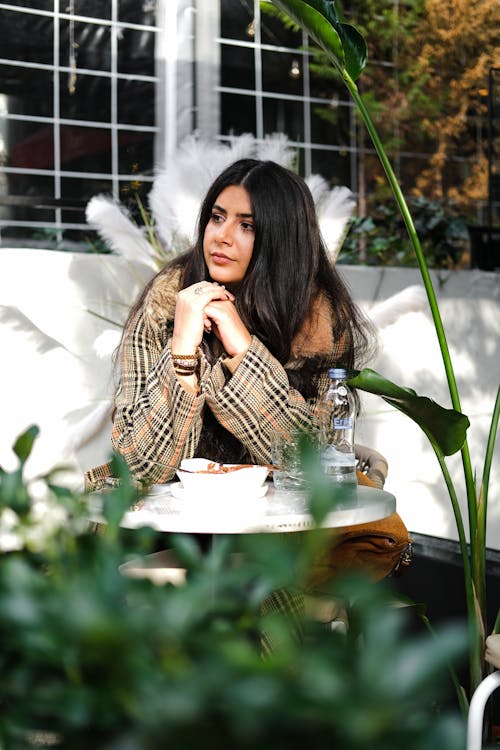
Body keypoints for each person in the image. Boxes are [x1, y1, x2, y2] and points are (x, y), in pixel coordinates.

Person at [84, 158, 376, 492]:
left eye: (246, 226)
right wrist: (181, 351)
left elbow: (312, 460)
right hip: (169, 526)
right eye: (217, 217)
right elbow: (139, 467)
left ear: (281, 241)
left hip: (280, 530)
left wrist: (243, 351)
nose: (221, 237)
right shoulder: (164, 307)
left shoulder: (319, 323)